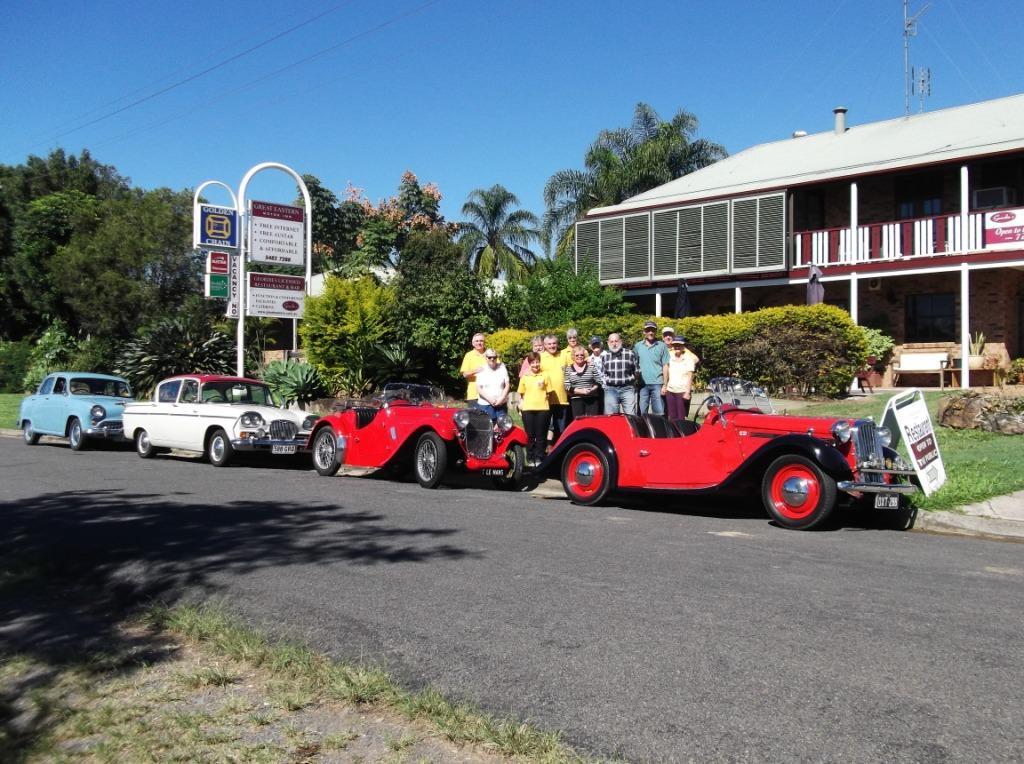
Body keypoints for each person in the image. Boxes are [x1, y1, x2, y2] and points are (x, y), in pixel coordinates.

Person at [516, 352, 550, 465]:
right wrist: (521, 407)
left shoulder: (545, 375)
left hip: (543, 409)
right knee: (530, 435)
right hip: (528, 409)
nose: (535, 364)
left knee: (541, 435)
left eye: (537, 362)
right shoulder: (525, 376)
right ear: (529, 364)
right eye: (533, 362)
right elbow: (521, 393)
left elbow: (549, 392)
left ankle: (539, 457)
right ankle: (530, 458)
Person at [634, 320, 669, 415]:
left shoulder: (662, 346)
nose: (650, 332)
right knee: (641, 412)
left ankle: (658, 429)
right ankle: (642, 430)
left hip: (658, 383)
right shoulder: (637, 346)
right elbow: (634, 363)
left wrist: (665, 385)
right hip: (642, 384)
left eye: (653, 330)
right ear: (644, 332)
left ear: (656, 331)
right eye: (648, 330)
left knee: (659, 412)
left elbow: (665, 366)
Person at [540, 333, 570, 440]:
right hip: (545, 400)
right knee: (544, 428)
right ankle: (543, 452)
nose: (552, 346)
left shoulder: (564, 355)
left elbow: (575, 367)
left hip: (562, 399)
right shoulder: (540, 357)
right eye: (549, 344)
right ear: (544, 345)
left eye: (554, 343)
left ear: (557, 344)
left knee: (561, 430)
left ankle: (559, 453)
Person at [662, 336, 700, 419]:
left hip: (682, 392)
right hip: (670, 391)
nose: (677, 347)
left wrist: (687, 392)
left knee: (681, 417)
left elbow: (690, 377)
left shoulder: (689, 359)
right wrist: (664, 386)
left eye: (679, 345)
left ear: (683, 347)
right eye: (675, 345)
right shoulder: (670, 357)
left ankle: (682, 432)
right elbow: (666, 371)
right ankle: (673, 432)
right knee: (672, 416)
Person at [601, 332, 638, 414]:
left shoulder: (630, 354)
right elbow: (603, 373)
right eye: (612, 341)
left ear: (621, 341)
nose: (614, 344)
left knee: (631, 417)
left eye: (616, 341)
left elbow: (636, 371)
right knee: (611, 418)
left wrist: (630, 382)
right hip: (610, 390)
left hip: (627, 389)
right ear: (608, 343)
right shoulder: (604, 356)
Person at [565, 345, 602, 417]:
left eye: (582, 355)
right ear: (573, 356)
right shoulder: (568, 369)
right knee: (579, 423)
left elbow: (599, 381)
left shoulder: (591, 366)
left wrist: (591, 390)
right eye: (577, 355)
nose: (579, 356)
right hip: (576, 400)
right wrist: (580, 391)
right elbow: (567, 386)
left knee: (592, 423)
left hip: (592, 399)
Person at [476, 348, 510, 420]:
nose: (492, 359)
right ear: (486, 357)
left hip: (501, 403)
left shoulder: (502, 367)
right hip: (485, 404)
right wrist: (490, 399)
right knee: (487, 427)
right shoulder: (481, 369)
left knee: (503, 426)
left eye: (494, 357)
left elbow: (507, 385)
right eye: (489, 357)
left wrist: (501, 399)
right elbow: (478, 388)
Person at [459, 332, 488, 407]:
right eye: (477, 341)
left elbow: (499, 370)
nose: (479, 343)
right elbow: (465, 374)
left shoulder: (490, 354)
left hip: (489, 394)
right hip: (474, 394)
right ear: (473, 343)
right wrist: (476, 371)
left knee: (489, 418)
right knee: (475, 418)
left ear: (484, 342)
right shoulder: (469, 355)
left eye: (481, 341)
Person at [588, 336, 606, 414]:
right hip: (595, 388)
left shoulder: (608, 355)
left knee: (607, 409)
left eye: (597, 344)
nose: (596, 346)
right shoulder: (589, 359)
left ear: (601, 344)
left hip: (607, 387)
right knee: (597, 409)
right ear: (590, 346)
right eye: (593, 344)